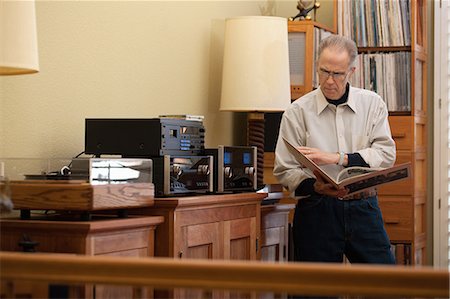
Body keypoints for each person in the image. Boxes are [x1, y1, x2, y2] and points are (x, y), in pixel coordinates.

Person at [273, 34, 396, 264]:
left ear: (352, 72)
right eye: (323, 71)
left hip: (364, 206)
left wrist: (338, 158)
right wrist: (316, 186)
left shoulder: (372, 104)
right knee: (314, 291)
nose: (329, 81)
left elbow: (386, 154)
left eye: (337, 74)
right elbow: (285, 170)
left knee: (386, 285)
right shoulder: (297, 111)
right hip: (316, 209)